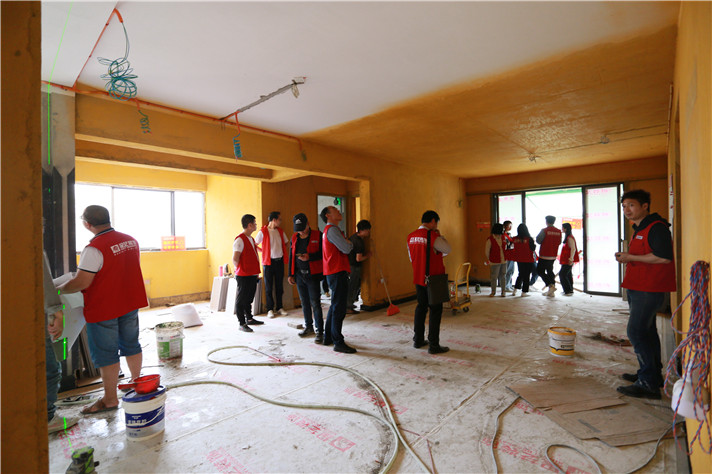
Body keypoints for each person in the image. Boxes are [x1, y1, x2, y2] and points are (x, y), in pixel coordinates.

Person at [57, 205, 147, 415]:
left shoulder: (94, 248)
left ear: (87, 224)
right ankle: (137, 383)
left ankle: (109, 399)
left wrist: (58, 290)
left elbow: (82, 282)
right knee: (131, 343)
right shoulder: (130, 240)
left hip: (104, 307)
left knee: (106, 353)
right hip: (129, 302)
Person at [615, 189, 675, 399]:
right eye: (624, 206)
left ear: (644, 206)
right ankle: (651, 375)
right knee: (647, 331)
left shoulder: (656, 227)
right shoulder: (639, 228)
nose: (627, 210)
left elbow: (664, 257)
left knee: (636, 331)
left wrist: (630, 257)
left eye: (631, 205)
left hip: (649, 289)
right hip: (638, 286)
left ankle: (648, 384)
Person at [44, 252, 79, 433]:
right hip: (35, 313)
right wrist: (56, 311)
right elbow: (43, 280)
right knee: (50, 369)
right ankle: (48, 417)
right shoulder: (28, 246)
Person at [407, 210, 450, 354]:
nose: (436, 225)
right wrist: (440, 235)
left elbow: (411, 257)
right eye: (436, 222)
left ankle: (418, 340)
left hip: (418, 278)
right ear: (432, 221)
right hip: (433, 279)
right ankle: (434, 345)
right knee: (435, 310)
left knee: (421, 307)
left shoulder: (411, 236)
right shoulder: (433, 236)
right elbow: (447, 249)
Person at [321, 206, 357, 353]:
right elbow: (346, 248)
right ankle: (338, 341)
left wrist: (346, 242)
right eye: (335, 210)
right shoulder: (332, 230)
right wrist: (349, 242)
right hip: (337, 272)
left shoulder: (331, 230)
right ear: (328, 215)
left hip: (334, 271)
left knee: (335, 305)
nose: (338, 211)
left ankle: (328, 336)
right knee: (339, 308)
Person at [288, 213, 325, 343]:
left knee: (315, 303)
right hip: (299, 275)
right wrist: (291, 274)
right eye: (298, 229)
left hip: (312, 275)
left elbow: (323, 253)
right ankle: (309, 327)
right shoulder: (294, 237)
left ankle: (320, 331)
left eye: (303, 228)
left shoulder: (318, 236)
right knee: (304, 302)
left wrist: (310, 257)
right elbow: (291, 256)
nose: (301, 232)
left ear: (308, 224)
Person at [232, 214, 265, 332]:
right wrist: (240, 270)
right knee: (241, 299)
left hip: (252, 274)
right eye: (255, 223)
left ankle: (249, 318)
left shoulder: (251, 239)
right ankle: (242, 323)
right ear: (250, 225)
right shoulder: (240, 240)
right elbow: (235, 259)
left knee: (249, 298)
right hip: (243, 275)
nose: (256, 225)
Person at [255, 211, 290, 318]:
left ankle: (279, 307)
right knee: (268, 287)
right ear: (274, 220)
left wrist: (282, 250)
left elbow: (286, 243)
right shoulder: (263, 231)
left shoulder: (280, 231)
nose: (280, 221)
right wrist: (263, 251)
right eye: (279, 219)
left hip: (279, 261)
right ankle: (270, 309)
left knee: (279, 286)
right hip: (268, 262)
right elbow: (255, 244)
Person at [347, 219, 372, 314]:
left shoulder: (353, 237)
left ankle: (350, 304)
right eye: (367, 230)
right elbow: (359, 258)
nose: (369, 232)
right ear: (362, 230)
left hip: (349, 265)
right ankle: (348, 306)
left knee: (352, 285)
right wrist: (368, 256)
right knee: (353, 286)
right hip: (354, 266)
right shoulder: (359, 242)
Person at [536, 215, 562, 297]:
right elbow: (559, 242)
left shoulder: (544, 230)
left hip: (544, 254)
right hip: (553, 255)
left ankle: (550, 286)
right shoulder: (559, 231)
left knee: (540, 271)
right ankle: (551, 291)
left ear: (546, 222)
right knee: (550, 271)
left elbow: (538, 240)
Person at [511, 224, 537, 297]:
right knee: (526, 275)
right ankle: (524, 292)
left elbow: (512, 247)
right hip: (528, 259)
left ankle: (515, 290)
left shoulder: (515, 239)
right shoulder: (529, 239)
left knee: (520, 274)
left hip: (519, 259)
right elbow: (533, 248)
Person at [485, 223, 507, 297]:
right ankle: (493, 291)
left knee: (503, 276)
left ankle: (503, 291)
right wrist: (490, 259)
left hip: (503, 260)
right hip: (494, 261)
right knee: (494, 277)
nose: (503, 230)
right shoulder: (490, 239)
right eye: (502, 229)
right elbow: (487, 251)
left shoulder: (503, 237)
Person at [559, 223, 578, 296]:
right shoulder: (568, 237)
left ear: (566, 229)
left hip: (568, 260)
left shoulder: (570, 238)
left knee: (562, 274)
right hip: (566, 259)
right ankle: (570, 290)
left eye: (563, 228)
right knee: (568, 274)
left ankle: (567, 290)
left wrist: (571, 259)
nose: (562, 229)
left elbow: (573, 248)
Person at [503, 220, 516, 292]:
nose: (510, 227)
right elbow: (506, 245)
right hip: (507, 255)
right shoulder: (503, 235)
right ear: (505, 226)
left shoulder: (509, 234)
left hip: (511, 254)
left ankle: (509, 285)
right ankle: (506, 286)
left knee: (511, 271)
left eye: (511, 226)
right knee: (507, 270)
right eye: (509, 226)